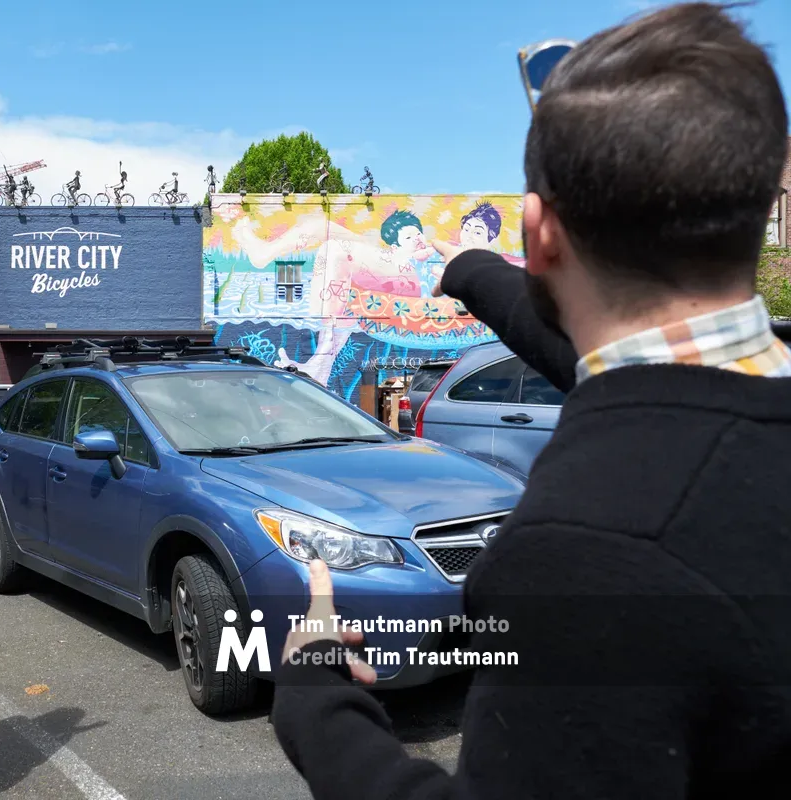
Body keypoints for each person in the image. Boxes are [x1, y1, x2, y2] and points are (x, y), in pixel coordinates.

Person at [272, 5, 791, 798]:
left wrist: (316, 698)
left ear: (539, 233)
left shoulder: (586, 553)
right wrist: (472, 268)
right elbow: (595, 356)